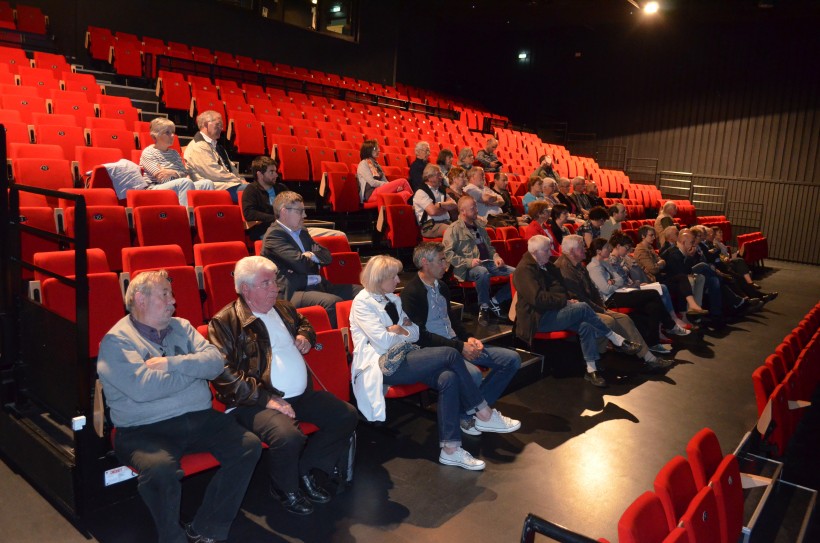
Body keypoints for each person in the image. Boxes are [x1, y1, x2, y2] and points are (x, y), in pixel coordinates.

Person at [97, 271, 261, 543]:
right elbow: (143, 388)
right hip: (144, 430)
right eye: (165, 294)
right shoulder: (117, 341)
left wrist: (171, 364)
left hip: (198, 419)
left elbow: (215, 362)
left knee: (247, 446)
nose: (173, 301)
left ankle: (207, 526)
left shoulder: (182, 326)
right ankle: (172, 538)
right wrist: (192, 370)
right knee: (160, 472)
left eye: (171, 294)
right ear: (140, 298)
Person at [208, 257, 358, 516]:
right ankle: (284, 488)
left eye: (275, 281)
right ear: (246, 289)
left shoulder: (283, 308)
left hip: (300, 395)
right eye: (266, 283)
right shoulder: (225, 322)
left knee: (346, 415)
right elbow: (223, 375)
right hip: (254, 402)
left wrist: (304, 336)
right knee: (288, 436)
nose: (275, 288)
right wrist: (267, 399)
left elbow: (304, 323)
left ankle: (305, 470)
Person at [350, 255, 520, 470]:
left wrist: (398, 330)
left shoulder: (393, 298)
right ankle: (483, 412)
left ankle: (450, 449)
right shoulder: (362, 302)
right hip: (382, 365)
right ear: (379, 278)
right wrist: (401, 330)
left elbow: (413, 333)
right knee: (450, 354)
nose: (397, 280)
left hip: (405, 355)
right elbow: (383, 342)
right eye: (393, 276)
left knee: (447, 377)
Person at [401, 242, 522, 434]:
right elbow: (419, 337)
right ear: (425, 262)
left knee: (511, 360)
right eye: (441, 260)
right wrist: (459, 346)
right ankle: (475, 415)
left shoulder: (441, 286)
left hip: (457, 343)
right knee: (473, 373)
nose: (446, 264)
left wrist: (469, 338)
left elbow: (453, 321)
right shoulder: (412, 293)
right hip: (437, 352)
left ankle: (468, 413)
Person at [513, 235, 642, 387]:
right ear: (535, 252)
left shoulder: (548, 266)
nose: (551, 253)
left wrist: (560, 299)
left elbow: (559, 289)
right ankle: (616, 339)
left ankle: (591, 369)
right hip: (537, 320)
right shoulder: (523, 271)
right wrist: (563, 301)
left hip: (553, 312)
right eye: (547, 250)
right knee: (581, 307)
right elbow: (538, 299)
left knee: (585, 326)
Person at [556, 235, 671, 369]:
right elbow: (579, 297)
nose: (585, 249)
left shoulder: (578, 265)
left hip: (591, 306)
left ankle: (648, 357)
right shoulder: (564, 267)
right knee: (609, 321)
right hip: (578, 309)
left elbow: (593, 290)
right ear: (572, 250)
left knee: (624, 318)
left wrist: (601, 306)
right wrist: (601, 309)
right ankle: (597, 356)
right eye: (582, 247)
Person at [261, 192, 361, 327]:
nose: (304, 216)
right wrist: (312, 261)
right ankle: (336, 343)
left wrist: (311, 256)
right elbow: (301, 265)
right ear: (284, 212)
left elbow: (327, 256)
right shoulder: (274, 236)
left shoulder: (302, 231)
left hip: (317, 285)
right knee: (333, 303)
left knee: (361, 293)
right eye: (300, 211)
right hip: (293, 292)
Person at [586, 238, 684, 353]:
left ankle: (653, 342)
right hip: (610, 299)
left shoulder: (605, 263)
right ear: (598, 251)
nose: (610, 249)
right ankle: (670, 325)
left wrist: (614, 282)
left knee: (652, 306)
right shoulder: (594, 267)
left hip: (619, 292)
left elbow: (619, 280)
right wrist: (615, 283)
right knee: (653, 293)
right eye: (606, 248)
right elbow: (606, 289)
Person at [443, 196, 515, 325]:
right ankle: (484, 307)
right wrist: (469, 262)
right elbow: (447, 254)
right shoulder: (453, 229)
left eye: (476, 207)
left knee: (517, 274)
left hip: (488, 262)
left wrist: (496, 257)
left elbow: (490, 247)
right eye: (473, 208)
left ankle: (496, 300)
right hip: (467, 268)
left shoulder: (480, 226)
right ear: (463, 211)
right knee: (481, 272)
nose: (476, 210)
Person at [242, 156, 347, 242]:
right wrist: (277, 218)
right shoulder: (251, 190)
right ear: (259, 174)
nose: (276, 175)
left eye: (275, 171)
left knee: (339, 236)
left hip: (295, 229)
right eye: (271, 172)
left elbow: (295, 204)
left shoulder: (281, 188)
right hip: (270, 231)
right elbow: (249, 213)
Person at [138, 117, 216, 206]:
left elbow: (184, 172)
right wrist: (178, 174)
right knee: (185, 182)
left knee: (207, 183)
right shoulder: (148, 152)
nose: (172, 136)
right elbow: (161, 177)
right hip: (154, 188)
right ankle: (186, 217)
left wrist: (173, 172)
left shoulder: (174, 153)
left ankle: (204, 216)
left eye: (172, 132)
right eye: (167, 132)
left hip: (178, 184)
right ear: (155, 136)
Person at [183, 110, 246, 202]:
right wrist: (239, 181)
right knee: (253, 192)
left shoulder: (217, 147)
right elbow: (213, 172)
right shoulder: (198, 146)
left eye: (221, 125)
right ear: (205, 124)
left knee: (258, 190)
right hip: (213, 186)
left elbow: (232, 169)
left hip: (226, 184)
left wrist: (241, 179)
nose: (221, 128)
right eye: (218, 124)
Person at [356, 139, 413, 204]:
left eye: (378, 148)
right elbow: (372, 182)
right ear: (368, 150)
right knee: (403, 181)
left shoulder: (377, 165)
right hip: (371, 194)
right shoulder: (363, 163)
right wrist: (389, 185)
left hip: (380, 190)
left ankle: (409, 211)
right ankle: (417, 206)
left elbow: (385, 181)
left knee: (404, 193)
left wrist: (394, 188)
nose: (379, 150)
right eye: (375, 148)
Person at [412, 163, 456, 238]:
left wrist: (440, 205)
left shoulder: (441, 190)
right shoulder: (421, 192)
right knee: (454, 231)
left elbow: (454, 205)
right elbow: (433, 211)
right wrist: (445, 208)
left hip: (446, 222)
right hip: (430, 226)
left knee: (465, 228)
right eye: (438, 175)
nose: (441, 177)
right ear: (429, 177)